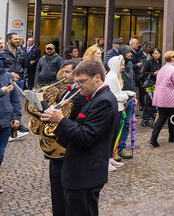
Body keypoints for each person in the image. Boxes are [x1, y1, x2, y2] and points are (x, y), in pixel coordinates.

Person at [40, 59, 118, 216]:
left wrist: (61, 120)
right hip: (78, 174)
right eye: (76, 82)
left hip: (85, 175)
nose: (77, 86)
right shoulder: (95, 98)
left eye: (81, 82)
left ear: (97, 77)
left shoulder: (104, 101)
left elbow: (85, 136)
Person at [45, 58, 88, 216]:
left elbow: (64, 114)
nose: (64, 74)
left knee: (62, 194)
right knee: (57, 194)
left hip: (65, 147)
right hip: (59, 148)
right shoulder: (70, 90)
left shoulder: (79, 94)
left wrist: (44, 107)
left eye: (67, 71)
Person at [105, 56, 136, 171]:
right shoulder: (112, 77)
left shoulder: (114, 76)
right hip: (115, 108)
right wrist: (126, 95)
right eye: (121, 64)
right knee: (111, 135)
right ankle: (106, 159)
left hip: (118, 108)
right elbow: (113, 95)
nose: (123, 67)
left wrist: (128, 93)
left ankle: (110, 157)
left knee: (114, 135)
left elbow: (118, 92)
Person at [150, 51, 174, 147]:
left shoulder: (163, 68)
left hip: (161, 96)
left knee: (162, 117)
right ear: (172, 58)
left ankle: (158, 137)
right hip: (171, 97)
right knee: (171, 117)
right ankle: (168, 137)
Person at [0, 58, 22, 193]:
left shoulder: (7, 76)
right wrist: (1, 92)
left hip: (5, 121)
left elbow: (15, 99)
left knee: (1, 153)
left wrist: (16, 117)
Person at [140, 48, 162, 127]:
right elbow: (143, 73)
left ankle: (153, 118)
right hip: (150, 84)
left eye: (158, 53)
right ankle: (145, 119)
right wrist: (153, 73)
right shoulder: (148, 62)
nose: (157, 55)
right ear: (152, 54)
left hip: (158, 85)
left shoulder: (161, 63)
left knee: (155, 102)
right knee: (149, 102)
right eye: (155, 53)